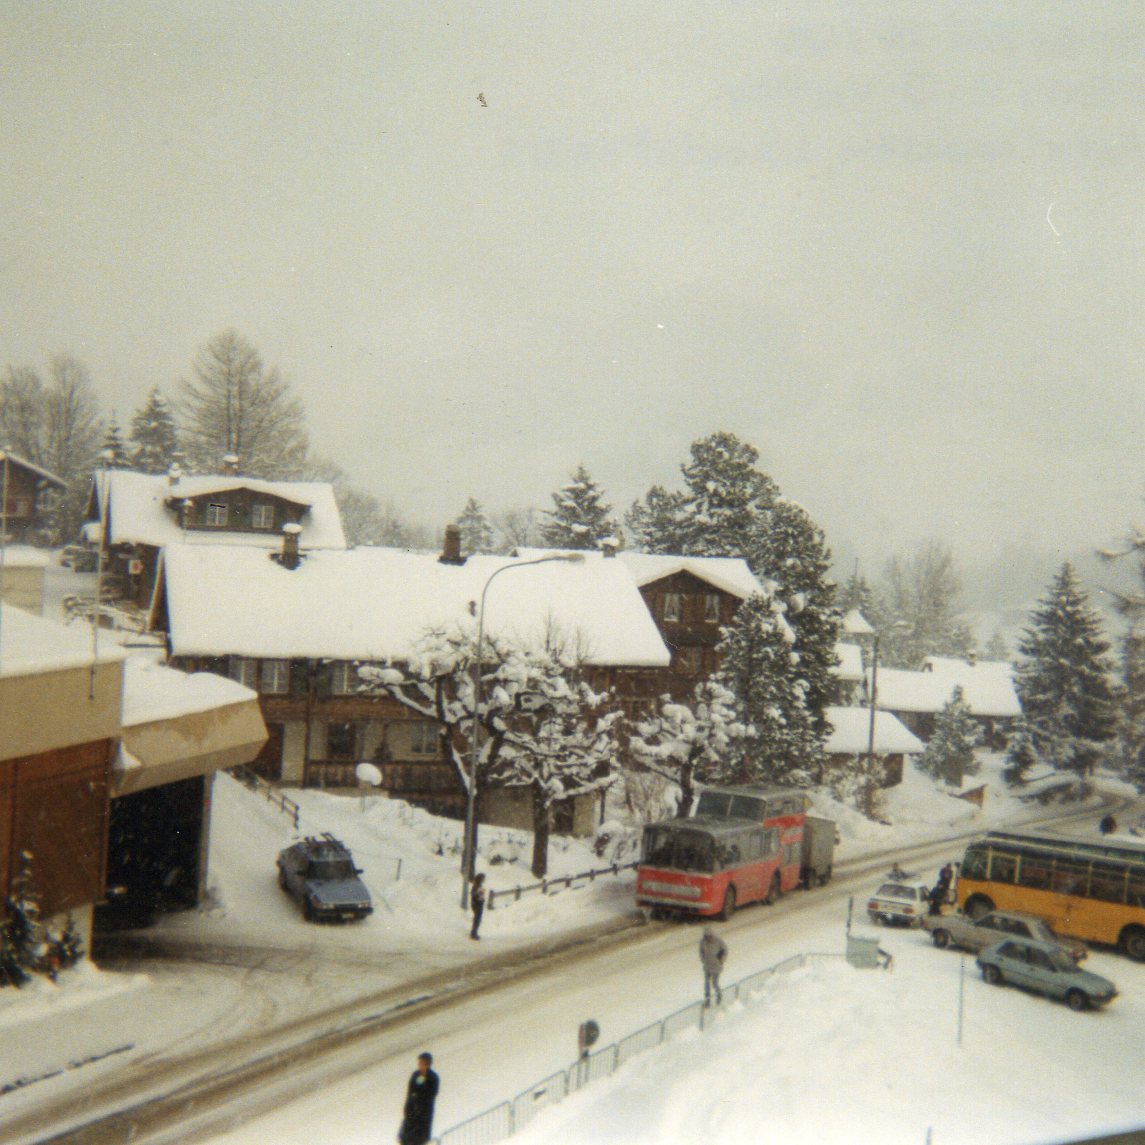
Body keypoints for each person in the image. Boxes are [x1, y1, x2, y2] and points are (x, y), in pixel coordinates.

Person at [398, 1051, 439, 1145]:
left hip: (423, 1114)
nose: (419, 1065)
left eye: (422, 1063)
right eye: (419, 1062)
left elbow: (432, 1093)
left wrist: (419, 1096)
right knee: (405, 1138)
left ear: (427, 1064)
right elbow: (410, 1091)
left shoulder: (433, 1078)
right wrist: (408, 1106)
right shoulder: (415, 1075)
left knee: (418, 1140)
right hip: (411, 1112)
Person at [699, 925, 727, 1006]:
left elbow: (725, 950)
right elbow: (701, 951)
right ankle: (707, 1001)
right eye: (706, 936)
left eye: (709, 936)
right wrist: (703, 960)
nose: (707, 938)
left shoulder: (718, 941)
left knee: (715, 984)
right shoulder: (702, 942)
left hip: (716, 966)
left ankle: (719, 996)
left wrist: (721, 960)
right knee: (706, 985)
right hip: (707, 966)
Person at [470, 872, 486, 940]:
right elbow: (473, 894)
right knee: (477, 919)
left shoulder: (479, 885)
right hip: (477, 904)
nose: (484, 880)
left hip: (479, 903)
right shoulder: (476, 886)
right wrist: (479, 893)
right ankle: (474, 933)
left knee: (478, 919)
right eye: (483, 878)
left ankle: (474, 932)